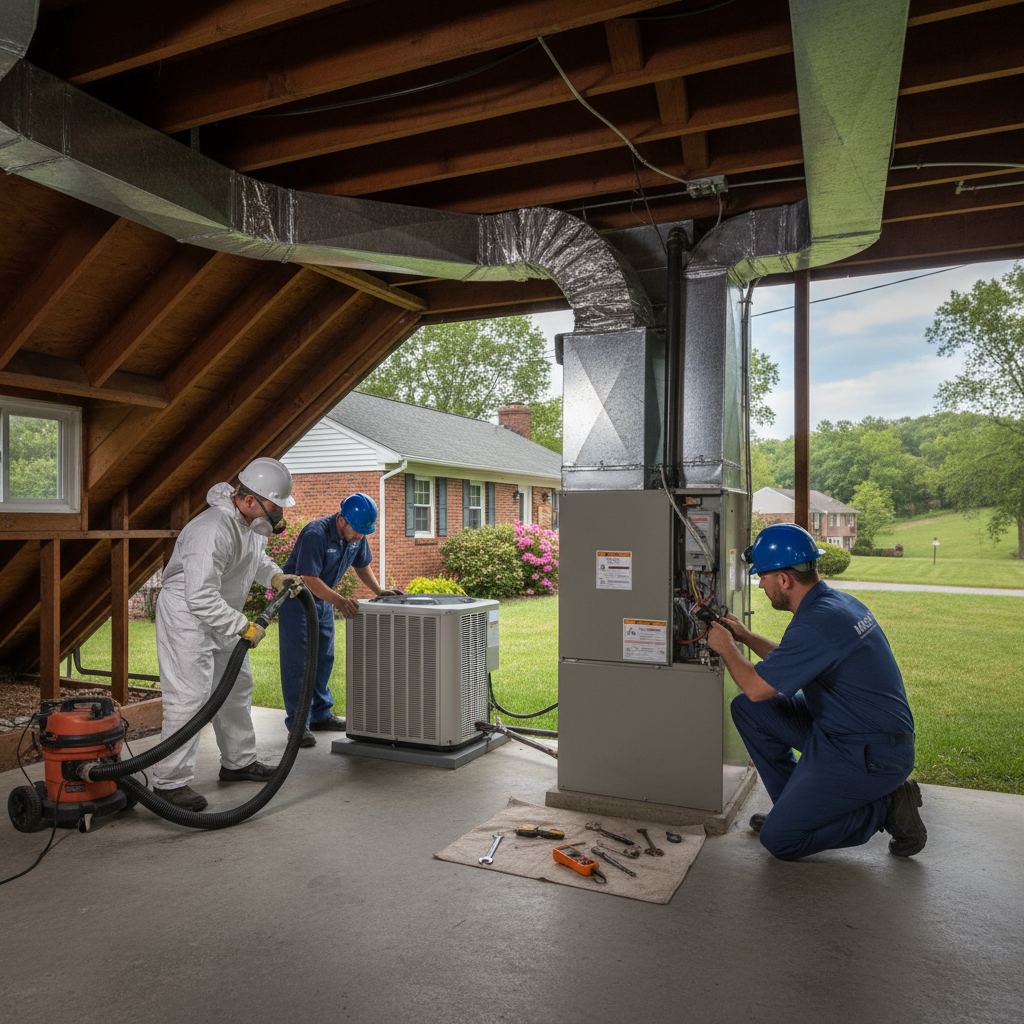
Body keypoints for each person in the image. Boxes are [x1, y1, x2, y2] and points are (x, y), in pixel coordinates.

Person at [707, 523, 927, 861]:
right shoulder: (833, 604)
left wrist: (726, 648)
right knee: (749, 713)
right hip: (845, 729)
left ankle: (888, 807)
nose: (762, 585)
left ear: (784, 579)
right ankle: (794, 809)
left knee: (781, 841)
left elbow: (756, 688)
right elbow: (794, 658)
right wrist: (746, 638)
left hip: (872, 753)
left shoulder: (815, 625)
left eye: (762, 577)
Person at [151, 458, 303, 812]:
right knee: (190, 698)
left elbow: (255, 561)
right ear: (249, 500)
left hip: (222, 614)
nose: (278, 517)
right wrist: (244, 626)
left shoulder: (250, 525)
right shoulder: (212, 529)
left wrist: (276, 577)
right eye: (275, 509)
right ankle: (169, 783)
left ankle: (239, 763)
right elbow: (199, 595)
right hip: (188, 618)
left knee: (236, 689)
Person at [277, 492, 401, 747]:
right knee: (298, 664)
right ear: (342, 520)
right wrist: (341, 601)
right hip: (297, 601)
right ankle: (298, 725)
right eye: (357, 531)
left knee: (324, 658)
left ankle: (321, 715)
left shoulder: (356, 534)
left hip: (323, 601)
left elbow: (361, 563)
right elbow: (308, 578)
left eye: (364, 533)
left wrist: (378, 590)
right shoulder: (315, 533)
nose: (359, 537)